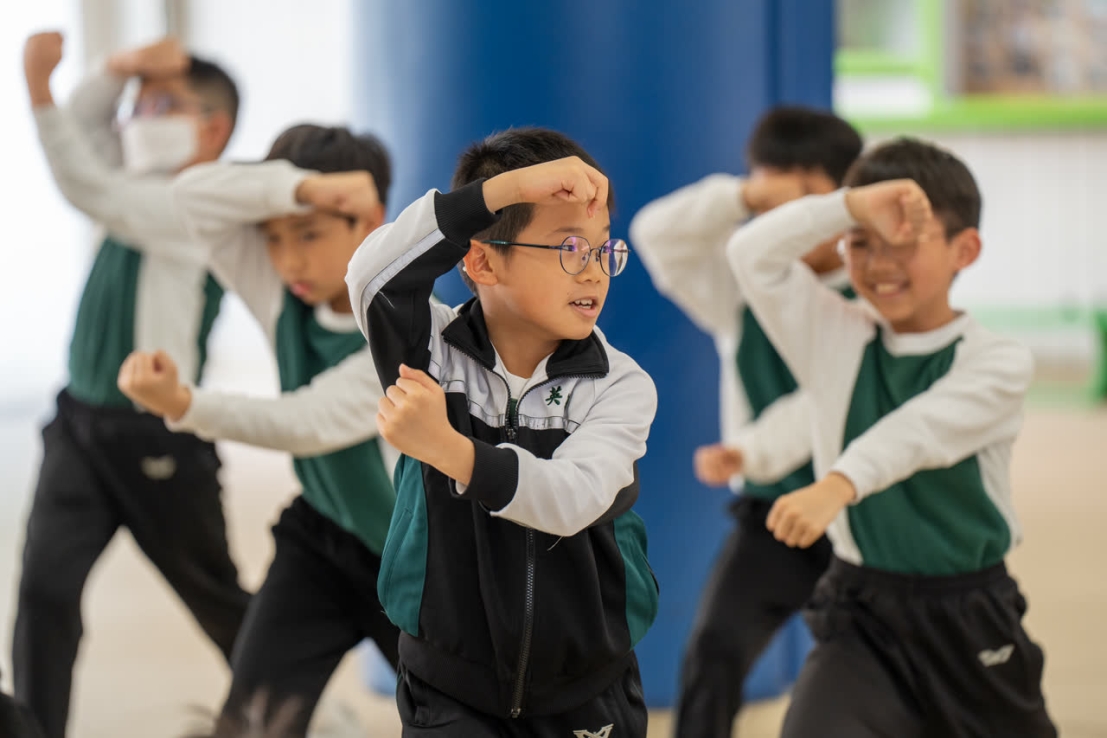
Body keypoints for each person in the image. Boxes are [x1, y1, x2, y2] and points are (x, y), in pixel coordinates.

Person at [727, 137, 1057, 737]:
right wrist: (849, 206)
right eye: (862, 243)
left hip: (969, 611)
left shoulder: (998, 362)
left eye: (903, 242)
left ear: (965, 250)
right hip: (862, 613)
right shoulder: (835, 335)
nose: (878, 263)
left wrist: (838, 484)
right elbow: (750, 254)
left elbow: (918, 432)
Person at [346, 128, 659, 737]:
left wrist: (450, 450)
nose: (594, 272)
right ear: (482, 260)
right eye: (570, 248)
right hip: (446, 686)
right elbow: (370, 276)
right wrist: (500, 192)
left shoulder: (620, 384)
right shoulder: (429, 352)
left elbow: (570, 498)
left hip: (586, 688)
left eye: (603, 250)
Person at [117, 124, 400, 737]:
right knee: (251, 724)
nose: (288, 259)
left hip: (414, 565)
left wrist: (184, 403)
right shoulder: (285, 295)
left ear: (370, 220)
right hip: (319, 542)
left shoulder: (408, 331)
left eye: (309, 234)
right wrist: (305, 190)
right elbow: (191, 195)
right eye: (273, 238)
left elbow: (304, 422)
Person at [17, 32, 245, 738]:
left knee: (218, 601)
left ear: (213, 129)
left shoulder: (202, 204)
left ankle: (301, 713)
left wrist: (38, 86)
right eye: (138, 107)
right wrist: (120, 70)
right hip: (79, 424)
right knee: (45, 594)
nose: (140, 119)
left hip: (159, 434)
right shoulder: (138, 184)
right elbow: (90, 137)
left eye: (161, 105)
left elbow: (84, 180)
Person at [629, 106, 862, 738]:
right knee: (713, 649)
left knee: (871, 674)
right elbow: (656, 234)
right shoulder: (743, 291)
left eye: (807, 197)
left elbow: (832, 399)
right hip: (770, 520)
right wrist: (742, 197)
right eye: (773, 197)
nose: (788, 218)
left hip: (860, 517)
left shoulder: (872, 294)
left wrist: (750, 450)